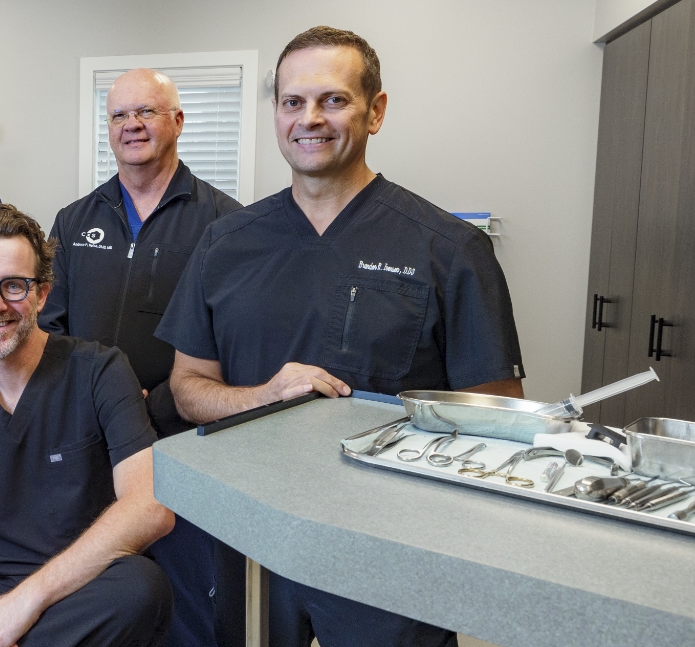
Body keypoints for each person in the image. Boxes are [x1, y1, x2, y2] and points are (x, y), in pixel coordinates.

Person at [157, 26, 525, 647]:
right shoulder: (226, 244)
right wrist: (262, 398)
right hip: (250, 536)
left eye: (333, 100)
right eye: (293, 102)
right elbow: (188, 388)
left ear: (375, 111)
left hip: (388, 547)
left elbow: (498, 418)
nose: (310, 119)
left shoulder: (448, 250)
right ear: (276, 114)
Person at [0, 204, 177, 647]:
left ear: (42, 293)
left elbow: (150, 508)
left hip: (84, 593)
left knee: (141, 586)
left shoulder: (100, 371)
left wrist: (23, 605)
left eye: (14, 286)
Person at [39, 68, 244, 647]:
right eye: (119, 115)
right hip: (91, 432)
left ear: (177, 121)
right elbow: (50, 328)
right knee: (96, 576)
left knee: (186, 590)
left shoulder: (226, 223)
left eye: (146, 112)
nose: (132, 125)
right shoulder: (74, 221)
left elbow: (232, 339)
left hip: (183, 438)